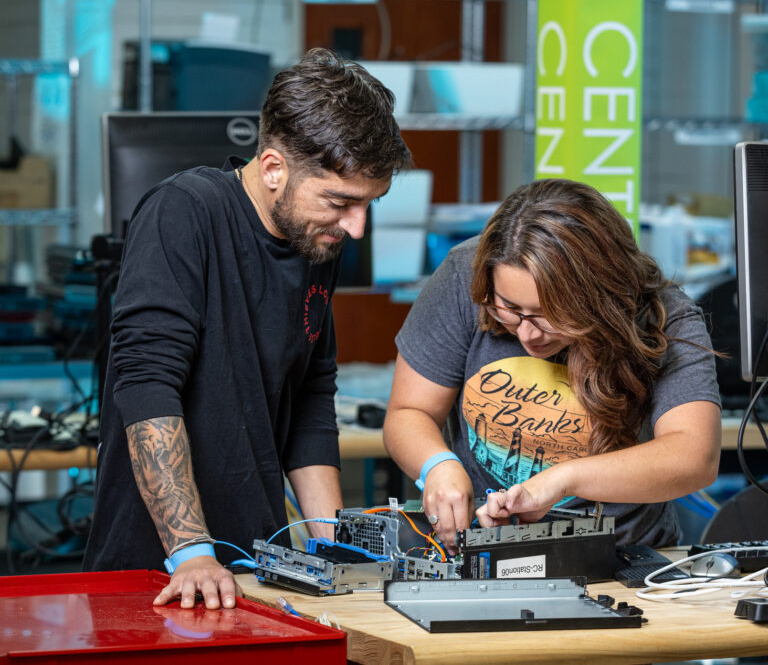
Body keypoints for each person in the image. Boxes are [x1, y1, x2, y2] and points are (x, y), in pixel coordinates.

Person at [82, 48, 412, 608]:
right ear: (274, 167)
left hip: (253, 571)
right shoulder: (183, 212)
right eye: (340, 202)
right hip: (157, 574)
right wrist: (191, 552)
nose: (356, 227)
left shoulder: (315, 240)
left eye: (368, 205)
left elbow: (310, 394)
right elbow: (146, 386)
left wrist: (339, 550)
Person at [383, 178, 721, 552]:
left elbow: (695, 456)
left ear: (602, 298)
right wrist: (438, 466)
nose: (528, 335)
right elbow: (409, 411)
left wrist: (562, 480)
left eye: (550, 316)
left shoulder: (664, 313)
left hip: (625, 557)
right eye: (510, 309)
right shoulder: (464, 276)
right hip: (486, 551)